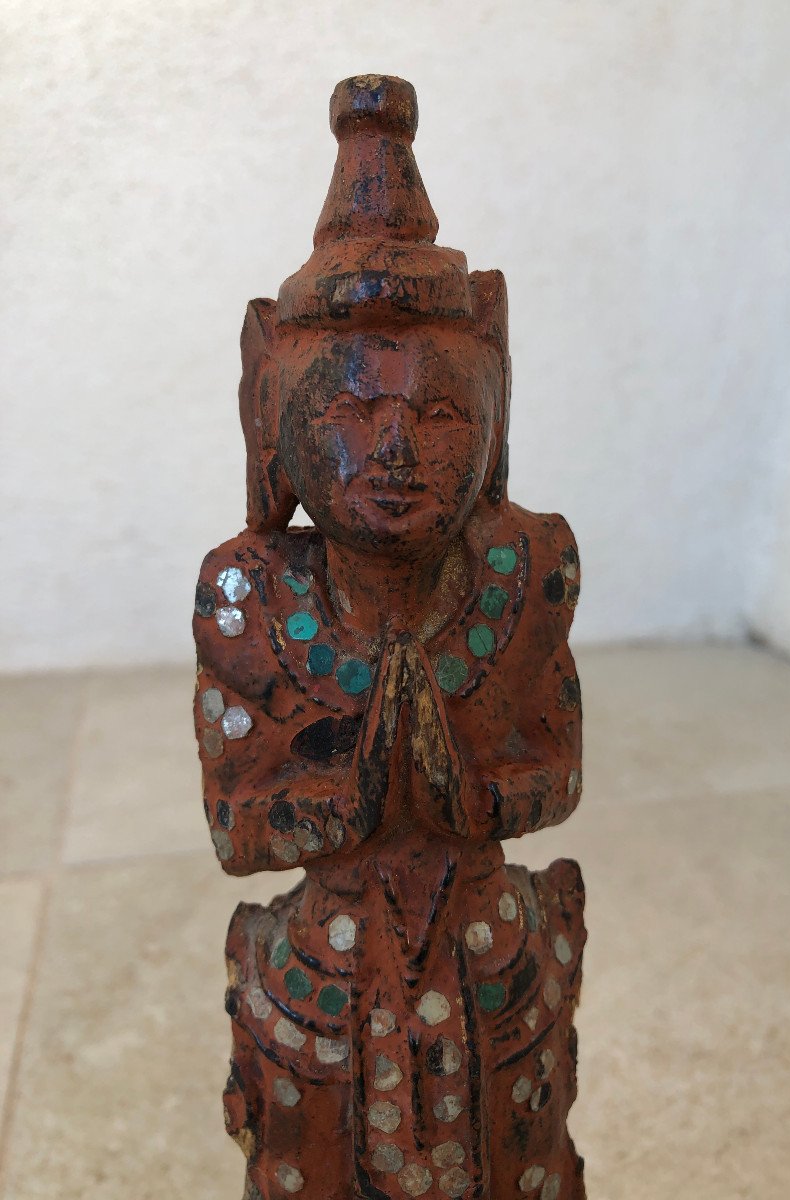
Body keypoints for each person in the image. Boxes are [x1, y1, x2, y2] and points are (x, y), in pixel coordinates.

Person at [193, 75, 586, 1200]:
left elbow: (557, 773)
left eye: (440, 413)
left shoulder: (528, 572)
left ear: (497, 409)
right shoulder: (249, 598)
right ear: (270, 408)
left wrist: (469, 799)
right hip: (327, 960)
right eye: (354, 412)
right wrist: (354, 801)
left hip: (486, 940)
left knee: (522, 1145)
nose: (397, 450)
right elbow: (235, 824)